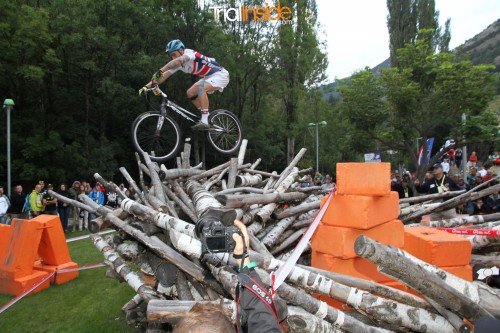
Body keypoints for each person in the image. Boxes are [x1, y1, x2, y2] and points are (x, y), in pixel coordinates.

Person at [139, 39, 230, 129]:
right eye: (171, 56)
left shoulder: (189, 54)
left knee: (201, 88)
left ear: (181, 50)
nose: (173, 58)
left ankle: (205, 119)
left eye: (174, 54)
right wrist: (145, 87)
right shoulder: (178, 63)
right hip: (208, 77)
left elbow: (177, 61)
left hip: (221, 74)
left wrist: (160, 71)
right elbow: (162, 78)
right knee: (190, 93)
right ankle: (207, 117)